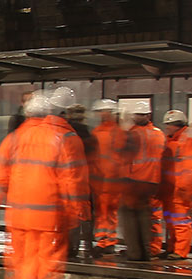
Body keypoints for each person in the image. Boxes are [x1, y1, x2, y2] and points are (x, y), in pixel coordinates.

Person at [0, 90, 91, 279]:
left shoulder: (14, 138)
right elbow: (73, 179)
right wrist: (80, 210)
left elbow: (1, 172)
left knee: (25, 264)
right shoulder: (65, 138)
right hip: (50, 215)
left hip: (18, 215)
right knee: (47, 266)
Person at [118, 100, 164, 261]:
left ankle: (134, 252)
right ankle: (147, 251)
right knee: (146, 216)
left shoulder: (132, 133)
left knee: (128, 216)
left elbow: (123, 158)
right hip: (152, 181)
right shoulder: (159, 133)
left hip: (134, 180)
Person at [155, 110, 192, 259]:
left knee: (180, 220)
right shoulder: (171, 140)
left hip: (179, 189)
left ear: (177, 125)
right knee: (169, 219)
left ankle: (180, 251)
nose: (167, 127)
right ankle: (172, 248)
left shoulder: (188, 140)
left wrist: (184, 188)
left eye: (169, 125)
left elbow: (191, 167)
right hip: (169, 189)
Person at [88, 99, 127, 255]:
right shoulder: (100, 132)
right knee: (102, 212)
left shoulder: (116, 133)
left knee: (108, 212)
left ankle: (108, 241)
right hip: (101, 180)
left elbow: (120, 158)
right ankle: (103, 240)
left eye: (104, 111)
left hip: (111, 181)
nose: (102, 115)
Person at [63, 102, 97, 259]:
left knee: (71, 215)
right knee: (85, 214)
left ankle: (71, 247)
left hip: (69, 179)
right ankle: (88, 248)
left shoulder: (66, 133)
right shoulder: (89, 134)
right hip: (85, 178)